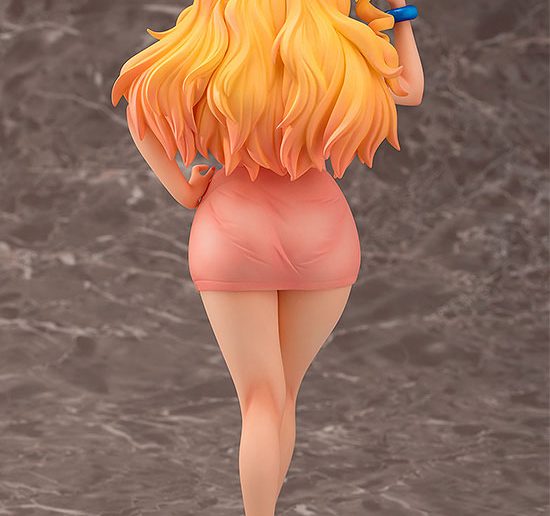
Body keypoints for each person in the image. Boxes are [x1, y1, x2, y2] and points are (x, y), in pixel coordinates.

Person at [111, 0, 423, 514]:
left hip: (230, 231)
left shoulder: (211, 44)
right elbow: (409, 90)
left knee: (260, 399)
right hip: (320, 233)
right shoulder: (337, 47)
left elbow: (138, 110)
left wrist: (184, 191)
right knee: (285, 395)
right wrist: (399, 15)